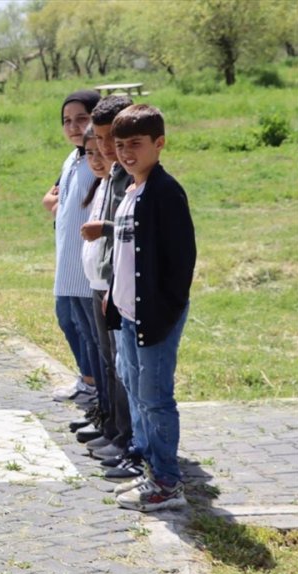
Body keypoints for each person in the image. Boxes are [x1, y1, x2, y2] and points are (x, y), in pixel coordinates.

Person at [104, 104, 196, 512]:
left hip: (153, 317)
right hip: (127, 315)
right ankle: (149, 468)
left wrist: (162, 312)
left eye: (136, 145)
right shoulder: (131, 190)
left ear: (159, 144)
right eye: (120, 145)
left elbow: (180, 263)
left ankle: (167, 483)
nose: (126, 153)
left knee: (155, 397)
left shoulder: (165, 192)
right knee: (137, 392)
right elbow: (126, 254)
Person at [79, 96, 136, 473]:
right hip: (101, 283)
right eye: (97, 140)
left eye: (108, 138)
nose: (102, 148)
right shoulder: (109, 175)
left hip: (119, 288)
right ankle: (114, 429)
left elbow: (134, 234)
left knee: (124, 368)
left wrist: (114, 289)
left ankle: (126, 439)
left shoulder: (131, 177)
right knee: (109, 361)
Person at [44, 90, 106, 423]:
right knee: (67, 321)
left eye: (81, 118)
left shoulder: (97, 159)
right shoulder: (73, 157)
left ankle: (97, 388)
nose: (73, 126)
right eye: (67, 120)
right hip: (65, 260)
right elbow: (53, 194)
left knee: (89, 331)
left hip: (85, 265)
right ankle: (87, 380)